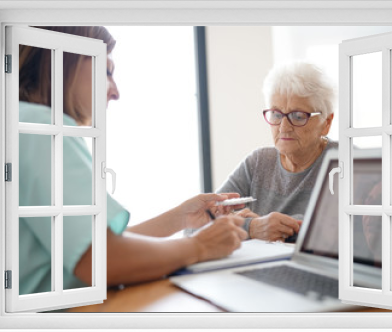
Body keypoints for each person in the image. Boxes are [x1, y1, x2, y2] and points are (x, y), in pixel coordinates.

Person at [18, 26, 247, 295]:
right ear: (64, 61)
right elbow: (102, 260)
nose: (115, 92)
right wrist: (202, 246)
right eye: (107, 72)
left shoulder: (20, 123)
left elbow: (100, 248)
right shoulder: (41, 127)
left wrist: (180, 218)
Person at [216, 62, 337, 243]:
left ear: (326, 123)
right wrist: (251, 227)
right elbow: (196, 225)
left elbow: (352, 237)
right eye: (276, 114)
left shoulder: (346, 163)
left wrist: (271, 229)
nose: (284, 127)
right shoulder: (258, 163)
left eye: (298, 116)